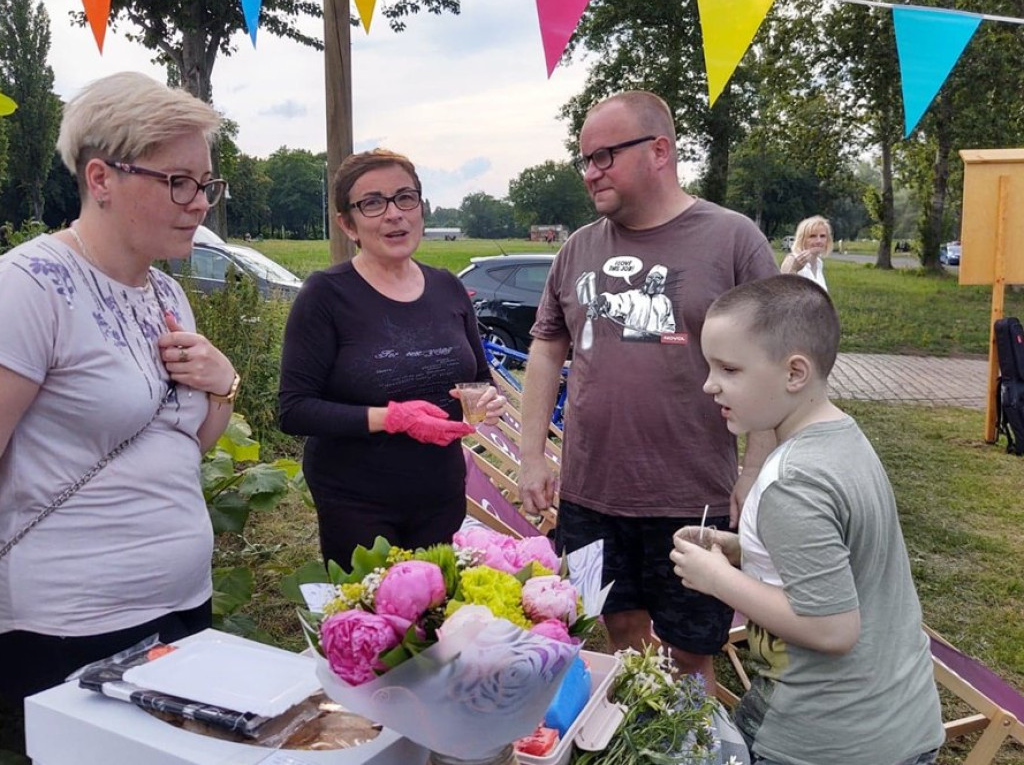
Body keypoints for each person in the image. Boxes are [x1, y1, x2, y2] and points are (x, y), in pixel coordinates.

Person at [519, 90, 779, 692]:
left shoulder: (733, 241)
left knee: (691, 657)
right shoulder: (578, 247)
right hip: (592, 492)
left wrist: (755, 469)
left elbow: (773, 363)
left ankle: (691, 750)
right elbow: (546, 346)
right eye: (584, 159)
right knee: (620, 636)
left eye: (605, 155)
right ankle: (641, 742)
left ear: (660, 150)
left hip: (695, 501)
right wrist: (533, 455)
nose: (590, 172)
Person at [0, 72, 239, 707]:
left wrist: (224, 387)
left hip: (183, 602)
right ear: (101, 178)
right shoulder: (29, 285)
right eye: (177, 182)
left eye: (206, 184)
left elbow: (182, 445)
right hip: (71, 623)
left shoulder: (167, 294)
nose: (199, 203)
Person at [671, 275, 944, 765]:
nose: (708, 384)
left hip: (826, 742)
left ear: (795, 372)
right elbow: (844, 554)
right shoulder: (841, 439)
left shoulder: (792, 482)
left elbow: (831, 630)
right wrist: (742, 548)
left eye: (729, 368)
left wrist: (717, 579)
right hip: (895, 724)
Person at [278, 148, 505, 570]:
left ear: (421, 207)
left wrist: (487, 400)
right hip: (357, 498)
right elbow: (294, 410)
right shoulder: (327, 295)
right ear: (349, 224)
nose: (394, 214)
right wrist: (392, 418)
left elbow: (478, 377)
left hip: (441, 490)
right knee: (379, 624)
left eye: (405, 198)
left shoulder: (448, 288)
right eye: (373, 203)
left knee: (437, 620)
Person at [780, 215, 832, 291]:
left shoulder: (819, 263)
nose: (819, 241)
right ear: (802, 239)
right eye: (812, 236)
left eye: (822, 236)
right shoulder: (792, 260)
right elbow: (783, 292)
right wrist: (794, 269)